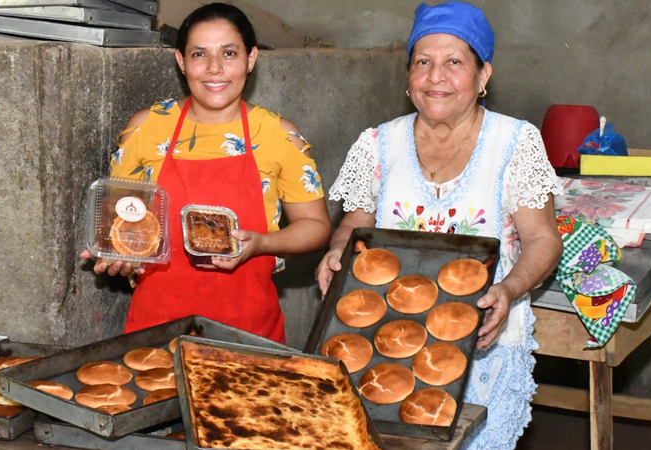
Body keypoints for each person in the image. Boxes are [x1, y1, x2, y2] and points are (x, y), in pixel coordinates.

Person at [316, 2, 563, 448]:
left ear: (483, 75)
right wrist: (337, 251)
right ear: (408, 75)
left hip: (484, 345)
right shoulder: (378, 144)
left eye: (454, 63)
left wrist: (507, 290)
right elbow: (355, 222)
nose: (436, 77)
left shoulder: (513, 143)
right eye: (423, 63)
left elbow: (543, 239)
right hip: (387, 342)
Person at [81, 3, 331, 344]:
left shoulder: (279, 136)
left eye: (229, 53)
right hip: (156, 329)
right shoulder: (147, 128)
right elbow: (122, 225)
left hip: (248, 333)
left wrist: (262, 244)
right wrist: (116, 255)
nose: (215, 68)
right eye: (200, 54)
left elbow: (316, 228)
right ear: (181, 61)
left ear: (251, 58)